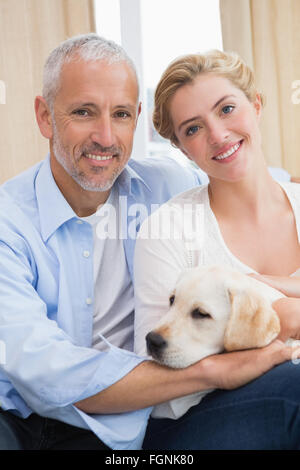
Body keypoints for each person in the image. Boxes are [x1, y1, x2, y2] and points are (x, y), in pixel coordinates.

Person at [0, 34, 295, 451]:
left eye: (120, 114)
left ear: (136, 118)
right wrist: (216, 370)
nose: (105, 136)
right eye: (84, 112)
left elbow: (235, 169)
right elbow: (46, 372)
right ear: (45, 117)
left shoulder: (164, 184)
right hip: (22, 419)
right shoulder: (8, 224)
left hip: (129, 420)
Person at [134, 50, 300, 450]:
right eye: (193, 129)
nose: (218, 134)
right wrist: (283, 318)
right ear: (182, 149)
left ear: (256, 104)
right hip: (193, 418)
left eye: (227, 109)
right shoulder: (168, 230)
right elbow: (156, 363)